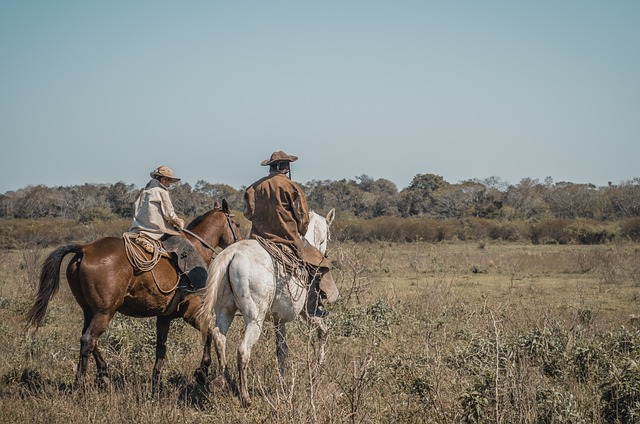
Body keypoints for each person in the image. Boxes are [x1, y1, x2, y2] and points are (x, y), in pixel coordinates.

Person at [244, 151, 338, 317]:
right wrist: (300, 231)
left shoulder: (253, 188)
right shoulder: (291, 186)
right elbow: (303, 217)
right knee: (320, 263)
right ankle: (312, 307)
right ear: (282, 166)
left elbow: (248, 213)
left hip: (257, 238)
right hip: (286, 238)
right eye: (286, 164)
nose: (288, 168)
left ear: (271, 167)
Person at [129, 165, 207, 290]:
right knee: (185, 247)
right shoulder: (161, 192)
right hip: (155, 231)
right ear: (164, 179)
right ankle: (192, 285)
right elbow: (169, 215)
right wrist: (180, 223)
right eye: (169, 181)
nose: (170, 184)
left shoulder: (143, 192)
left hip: (136, 230)